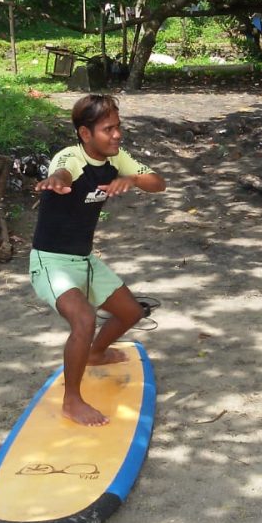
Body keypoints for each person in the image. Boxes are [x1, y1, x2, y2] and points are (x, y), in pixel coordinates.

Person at [30, 93, 166, 427]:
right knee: (84, 320)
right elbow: (62, 172)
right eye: (108, 129)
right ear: (85, 134)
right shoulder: (70, 157)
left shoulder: (116, 158)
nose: (117, 135)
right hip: (51, 262)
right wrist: (57, 182)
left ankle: (94, 353)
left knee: (131, 312)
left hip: (85, 260)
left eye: (118, 127)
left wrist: (131, 178)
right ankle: (72, 401)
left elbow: (158, 183)